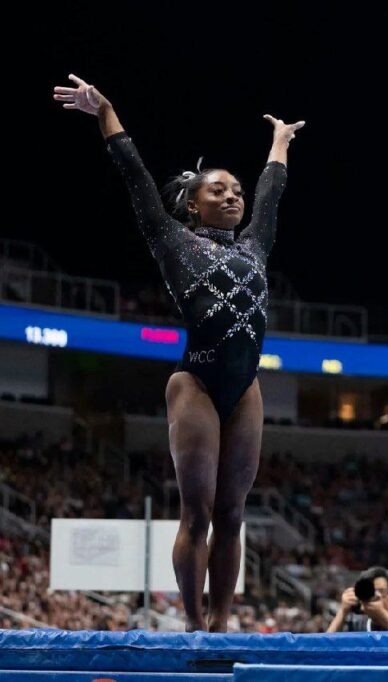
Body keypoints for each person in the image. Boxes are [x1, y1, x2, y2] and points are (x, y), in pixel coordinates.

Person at [53, 74, 304, 632]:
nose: (233, 195)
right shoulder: (170, 238)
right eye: (218, 190)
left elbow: (271, 192)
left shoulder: (255, 243)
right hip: (196, 381)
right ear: (191, 204)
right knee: (197, 513)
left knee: (233, 514)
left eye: (236, 190)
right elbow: (135, 177)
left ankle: (220, 623)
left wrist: (280, 142)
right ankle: (191, 624)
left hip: (245, 387)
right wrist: (105, 112)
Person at [327, 567, 388, 632]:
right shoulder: (357, 625)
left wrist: (381, 614)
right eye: (371, 591)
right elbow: (326, 645)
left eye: (381, 591)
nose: (376, 596)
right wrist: (343, 611)